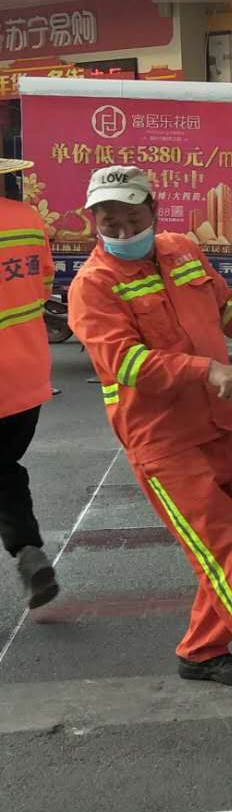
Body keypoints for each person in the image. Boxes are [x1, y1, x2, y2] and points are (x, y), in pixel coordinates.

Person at [68, 166, 232, 701]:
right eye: (109, 223)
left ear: (153, 212)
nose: (121, 232)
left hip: (220, 422)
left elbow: (228, 306)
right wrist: (206, 370)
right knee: (222, 549)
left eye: (131, 219)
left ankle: (202, 649)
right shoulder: (93, 286)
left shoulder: (183, 250)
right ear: (92, 222)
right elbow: (127, 363)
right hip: (162, 439)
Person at [0, 156, 59, 611]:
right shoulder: (26, 218)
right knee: (3, 467)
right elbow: (42, 287)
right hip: (27, 376)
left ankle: (27, 547)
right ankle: (27, 549)